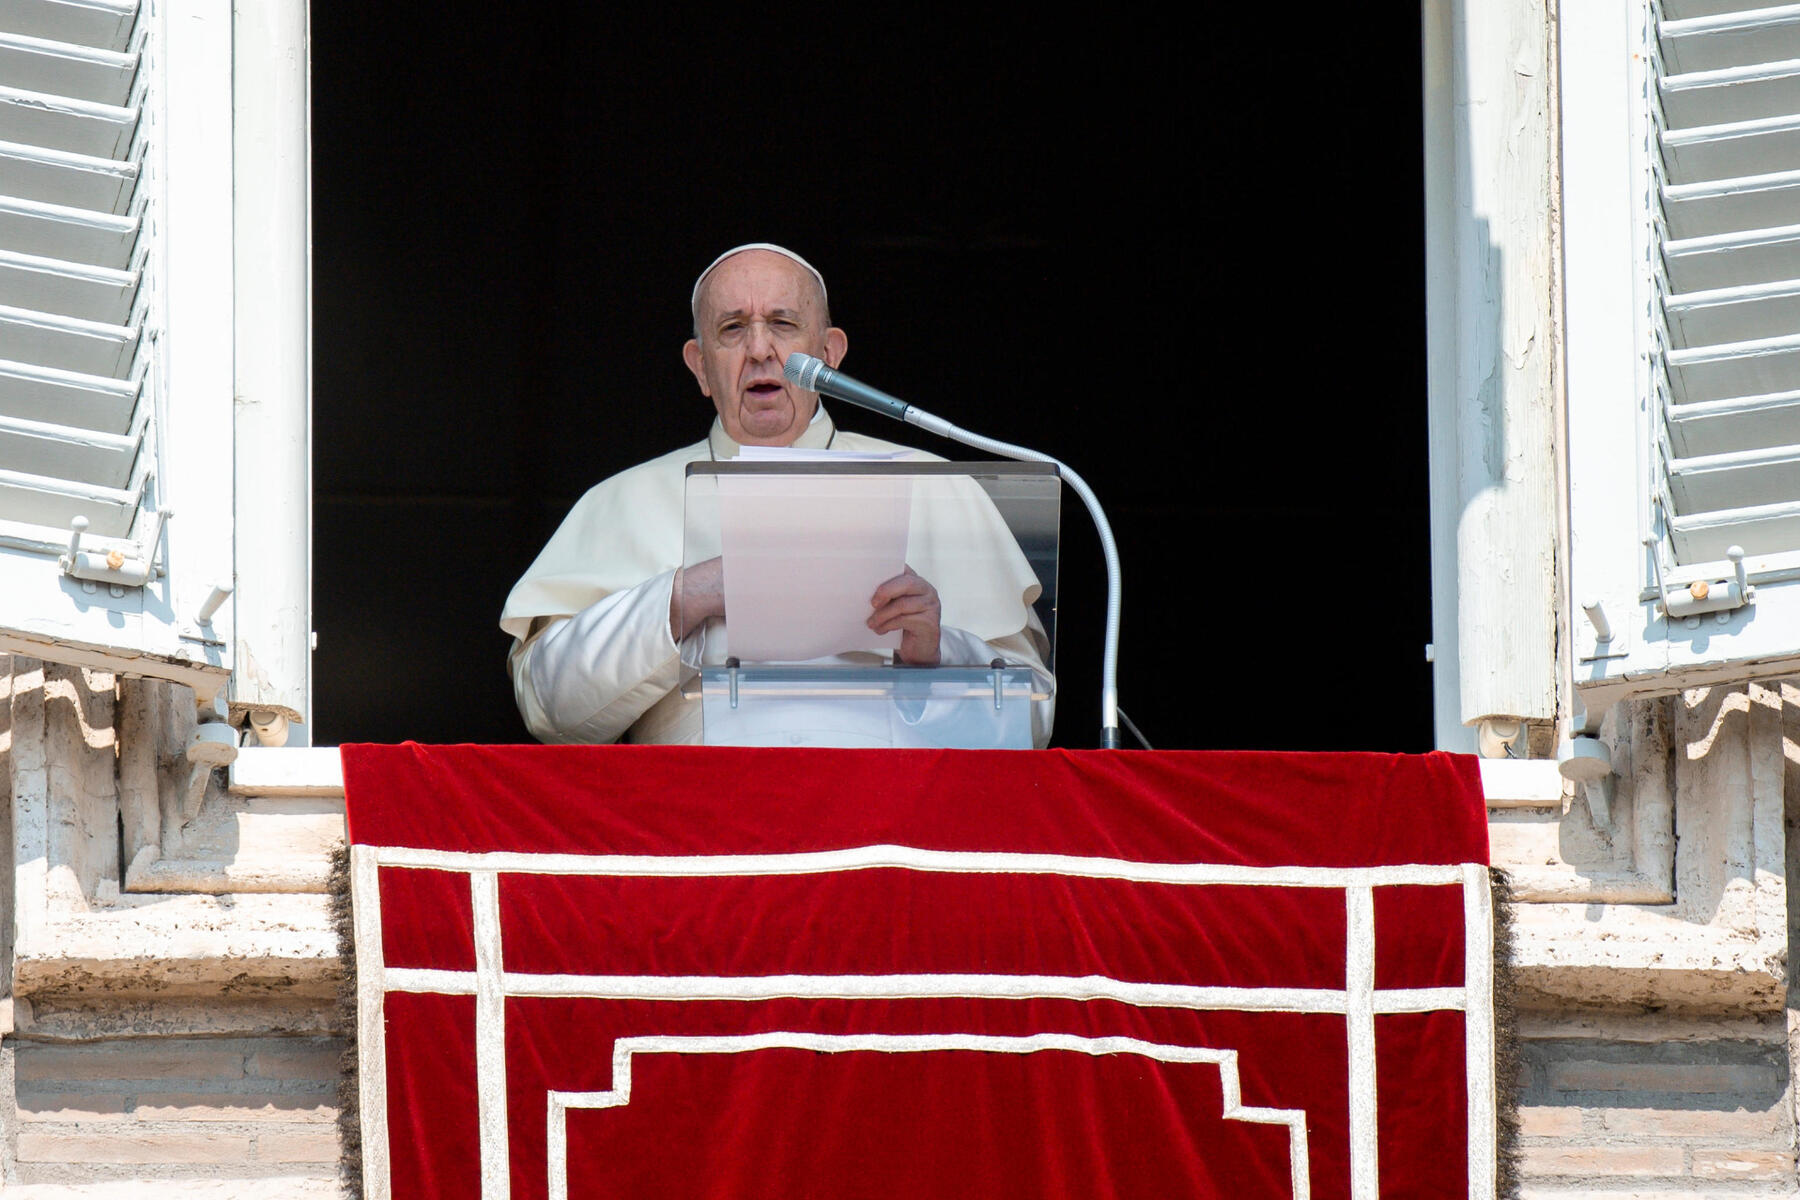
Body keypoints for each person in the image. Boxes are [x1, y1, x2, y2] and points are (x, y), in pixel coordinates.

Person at [500, 244, 1051, 746]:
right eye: (733, 328)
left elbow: (1034, 719)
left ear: (830, 352)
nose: (761, 348)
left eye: (783, 323)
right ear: (701, 368)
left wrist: (933, 655)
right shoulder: (621, 501)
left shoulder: (938, 484)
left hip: (888, 824)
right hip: (704, 827)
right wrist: (687, 597)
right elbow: (548, 710)